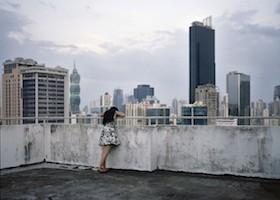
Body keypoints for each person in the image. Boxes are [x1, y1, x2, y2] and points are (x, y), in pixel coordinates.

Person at [98, 106, 125, 172]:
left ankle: (104, 167)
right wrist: (116, 113)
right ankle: (99, 167)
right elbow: (123, 115)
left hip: (104, 131)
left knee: (104, 151)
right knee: (106, 151)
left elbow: (101, 115)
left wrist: (109, 113)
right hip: (110, 132)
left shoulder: (107, 113)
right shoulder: (114, 112)